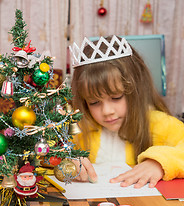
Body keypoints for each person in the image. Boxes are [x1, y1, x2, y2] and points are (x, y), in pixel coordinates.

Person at [69, 35, 184, 188]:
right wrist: (66, 159)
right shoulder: (80, 128)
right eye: (94, 102)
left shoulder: (159, 124)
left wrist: (158, 163)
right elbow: (46, 151)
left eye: (116, 97)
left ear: (136, 90)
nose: (107, 111)